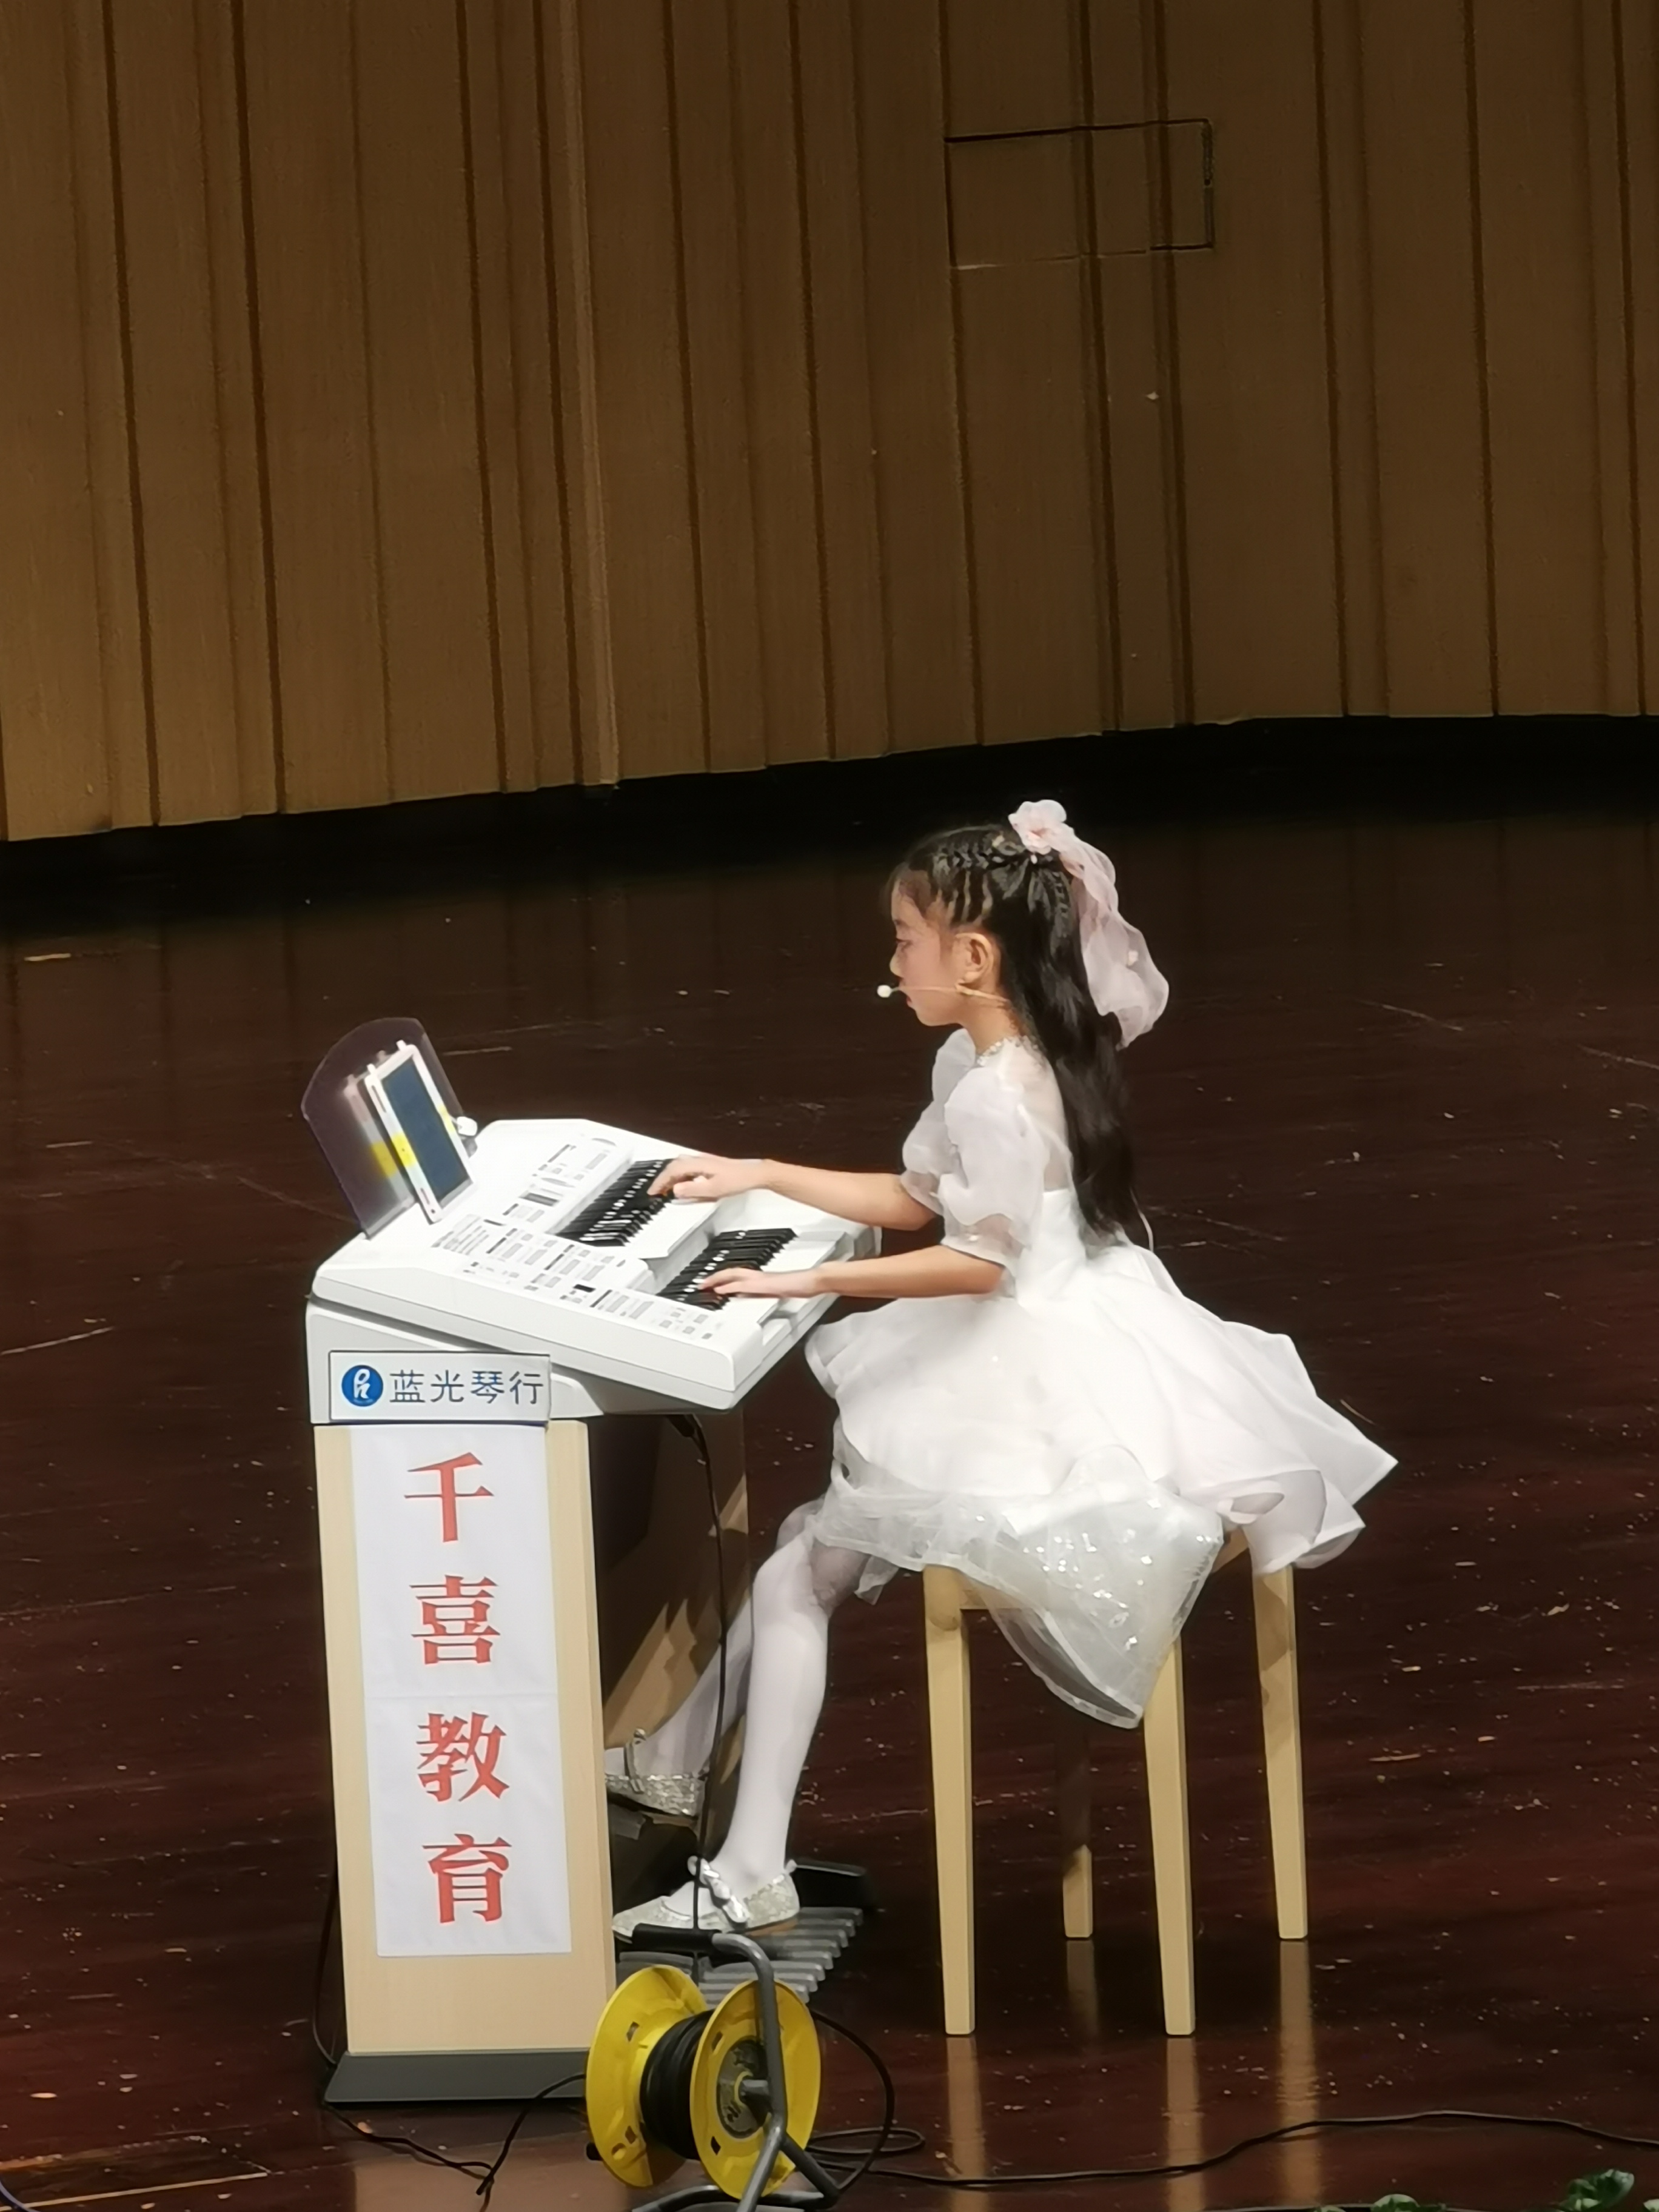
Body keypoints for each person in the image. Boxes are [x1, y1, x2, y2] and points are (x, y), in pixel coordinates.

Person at [609, 800, 1393, 1938]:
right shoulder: (1012, 1056)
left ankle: (746, 1867)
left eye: (904, 940)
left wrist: (807, 1280)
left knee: (798, 1574)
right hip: (1078, 1325)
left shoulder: (995, 1089)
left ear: (973, 959)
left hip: (1030, 1376)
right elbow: (918, 1198)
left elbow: (979, 1263)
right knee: (803, 1550)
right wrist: (762, 1171)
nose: (893, 963)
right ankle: (675, 1767)